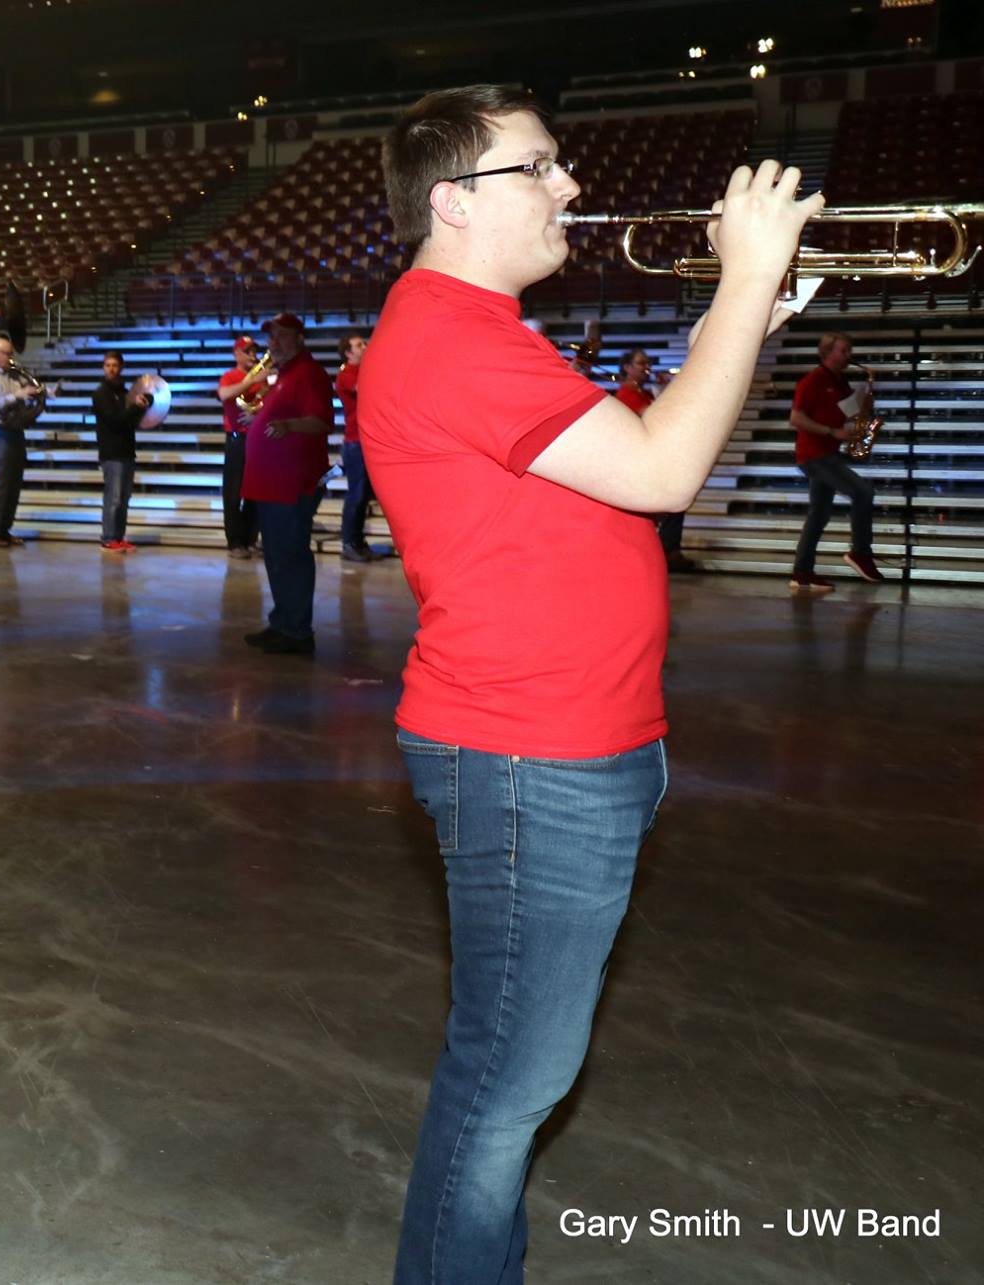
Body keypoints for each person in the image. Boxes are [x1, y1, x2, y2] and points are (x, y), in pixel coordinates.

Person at [363, 85, 818, 1283]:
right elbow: (666, 472)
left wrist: (749, 321)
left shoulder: (483, 332)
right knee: (508, 1084)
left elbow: (635, 457)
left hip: (567, 744)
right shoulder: (448, 335)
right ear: (453, 202)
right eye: (542, 167)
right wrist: (737, 281)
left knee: (514, 1075)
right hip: (527, 755)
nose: (570, 187)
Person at [241, 313, 335, 656]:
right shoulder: (286, 374)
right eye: (271, 336)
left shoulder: (309, 373)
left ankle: (296, 630)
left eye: (281, 335)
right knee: (277, 556)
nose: (273, 342)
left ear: (299, 338)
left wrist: (289, 425)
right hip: (271, 484)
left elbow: (322, 421)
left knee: (290, 556)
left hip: (291, 484)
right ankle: (283, 623)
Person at [789, 332, 883, 593]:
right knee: (863, 491)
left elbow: (851, 411)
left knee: (819, 515)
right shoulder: (813, 381)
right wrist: (832, 432)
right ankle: (860, 553)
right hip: (814, 454)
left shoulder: (840, 382)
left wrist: (867, 398)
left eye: (849, 350)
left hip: (828, 454)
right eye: (843, 351)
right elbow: (796, 418)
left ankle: (802, 573)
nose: (848, 356)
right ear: (827, 352)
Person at [612, 349, 700, 574]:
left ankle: (666, 550)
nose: (646, 367)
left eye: (647, 362)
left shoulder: (644, 393)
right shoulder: (628, 394)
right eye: (641, 363)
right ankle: (666, 551)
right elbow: (658, 418)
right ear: (627, 367)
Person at [0, 335, 43, 547]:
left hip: (15, 430)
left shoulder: (12, 376)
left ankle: (4, 529)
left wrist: (37, 393)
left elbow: (23, 393)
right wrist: (17, 396)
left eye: (11, 353)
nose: (11, 358)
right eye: (7, 354)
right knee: (2, 482)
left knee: (14, 483)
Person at [90, 350, 147, 552]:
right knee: (113, 498)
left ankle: (119, 536)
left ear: (121, 367)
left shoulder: (124, 393)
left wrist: (142, 406)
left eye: (115, 365)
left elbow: (131, 421)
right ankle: (108, 538)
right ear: (103, 367)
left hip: (127, 451)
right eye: (108, 365)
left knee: (123, 499)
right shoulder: (100, 394)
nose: (111, 369)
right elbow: (115, 421)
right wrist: (135, 407)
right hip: (111, 453)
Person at [215, 335, 266, 559]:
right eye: (247, 351)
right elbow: (224, 394)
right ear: (237, 354)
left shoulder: (262, 380)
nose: (253, 355)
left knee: (256, 491)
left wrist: (257, 413)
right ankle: (235, 541)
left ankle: (249, 537)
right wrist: (250, 381)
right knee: (234, 492)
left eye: (254, 351)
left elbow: (270, 403)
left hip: (257, 439)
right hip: (237, 439)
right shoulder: (230, 376)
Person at [334, 331, 378, 562]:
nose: (365, 346)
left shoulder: (361, 371)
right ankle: (349, 543)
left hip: (365, 441)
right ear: (348, 353)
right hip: (355, 442)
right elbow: (366, 389)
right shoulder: (347, 374)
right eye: (359, 345)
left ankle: (357, 541)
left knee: (363, 496)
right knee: (356, 495)